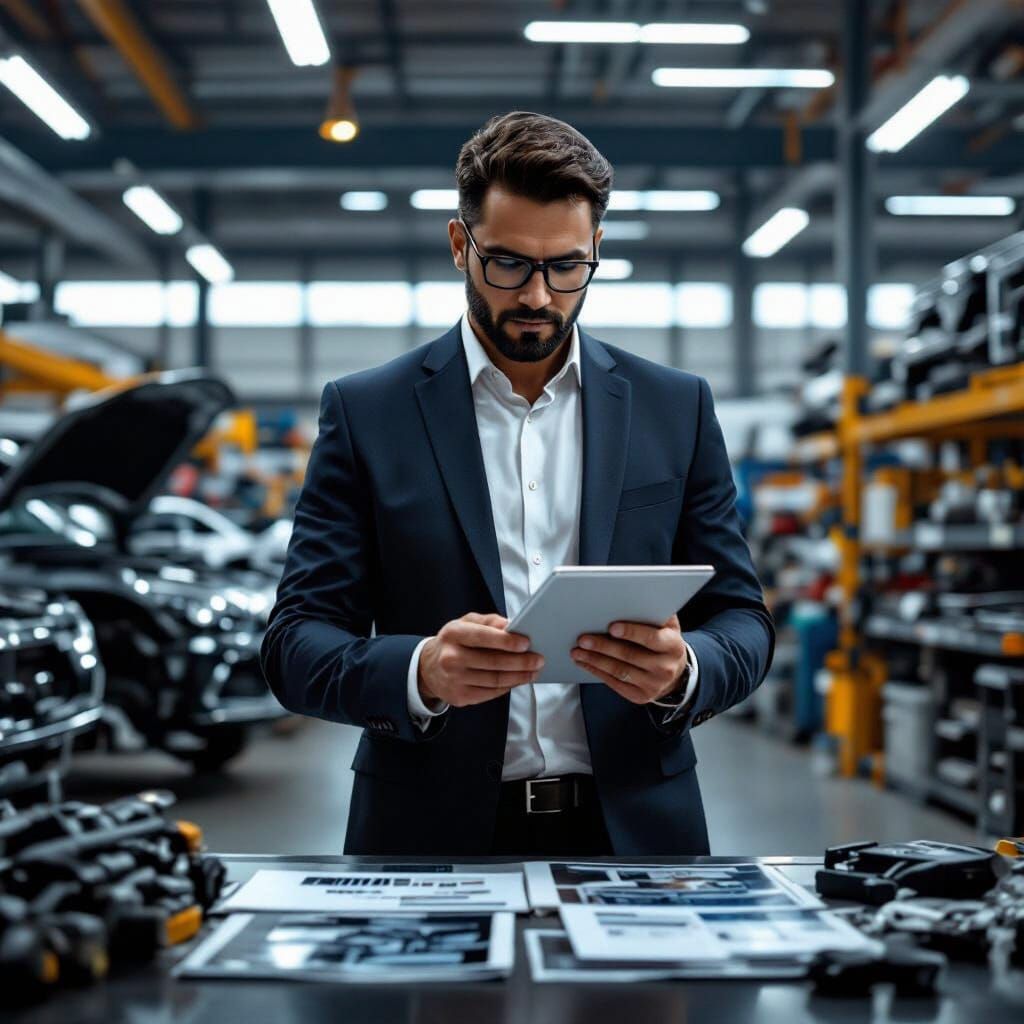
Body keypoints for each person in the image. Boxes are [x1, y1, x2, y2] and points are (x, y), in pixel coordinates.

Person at [260, 111, 774, 857]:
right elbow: (294, 645)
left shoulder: (676, 407)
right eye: (508, 264)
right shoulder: (368, 412)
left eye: (567, 267)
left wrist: (686, 671)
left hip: (637, 831)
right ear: (458, 244)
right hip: (426, 835)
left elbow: (743, 618)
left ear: (596, 248)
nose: (538, 297)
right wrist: (422, 671)